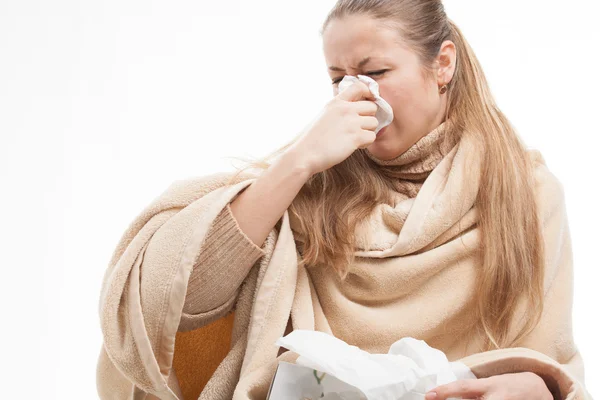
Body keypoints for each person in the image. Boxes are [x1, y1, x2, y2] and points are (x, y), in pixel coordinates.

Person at [96, 1, 593, 399]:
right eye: (339, 80)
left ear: (442, 65)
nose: (357, 95)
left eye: (374, 71)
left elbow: (547, 357)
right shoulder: (303, 187)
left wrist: (535, 385)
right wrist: (298, 162)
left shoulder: (527, 193)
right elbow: (171, 304)